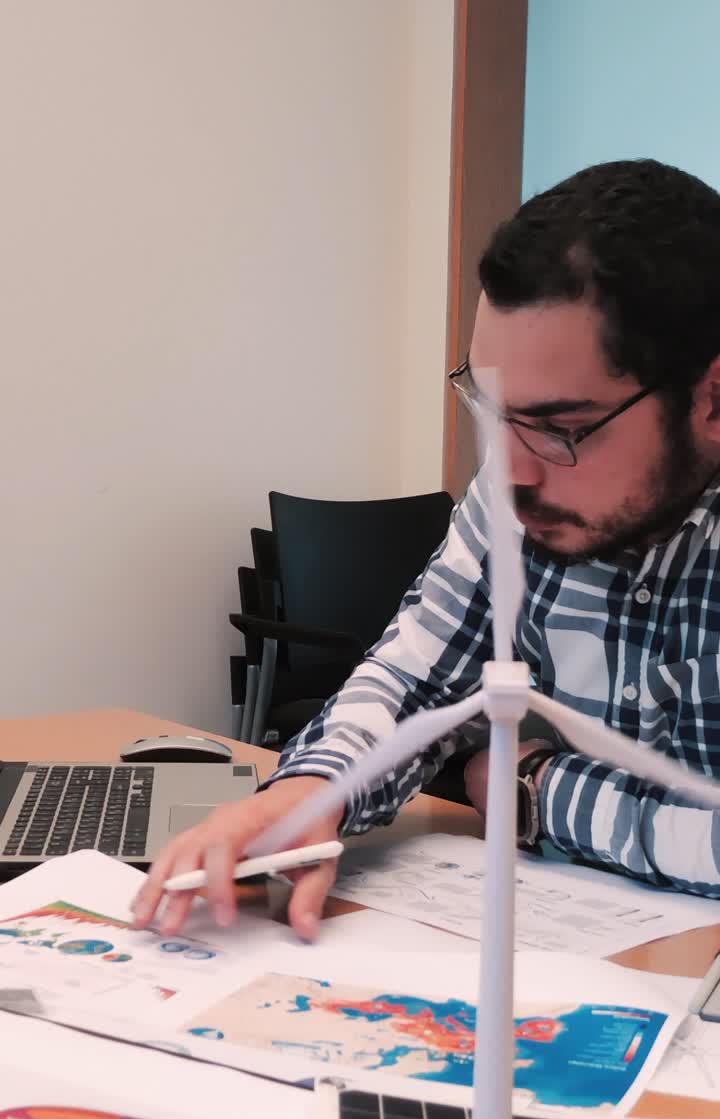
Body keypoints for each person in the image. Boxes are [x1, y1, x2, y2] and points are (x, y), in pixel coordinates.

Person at [133, 158, 720, 940]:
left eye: (560, 428)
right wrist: (309, 792)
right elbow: (415, 677)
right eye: (493, 412)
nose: (508, 473)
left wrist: (535, 790)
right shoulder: (524, 493)